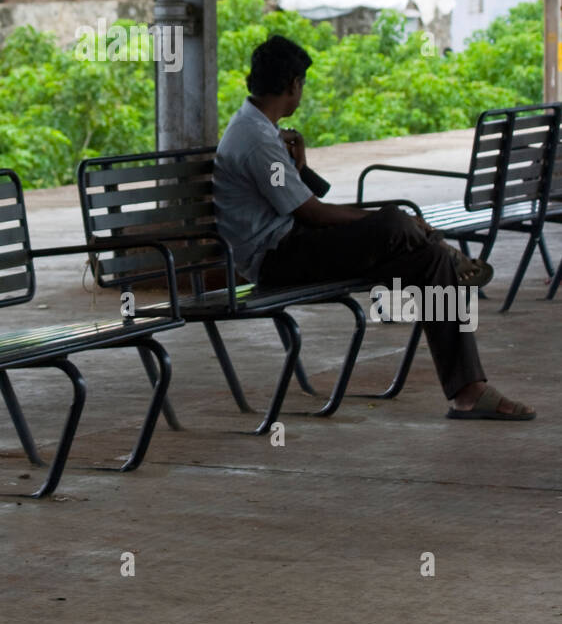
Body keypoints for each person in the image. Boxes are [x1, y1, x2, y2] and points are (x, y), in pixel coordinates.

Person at [213, 33, 536, 420]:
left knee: (431, 262)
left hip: (295, 244)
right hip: (277, 258)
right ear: (293, 84)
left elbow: (296, 201)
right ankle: (434, 242)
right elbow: (311, 213)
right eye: (303, 84)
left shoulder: (259, 130)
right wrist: (384, 219)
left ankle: (469, 392)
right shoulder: (255, 139)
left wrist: (297, 169)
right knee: (394, 220)